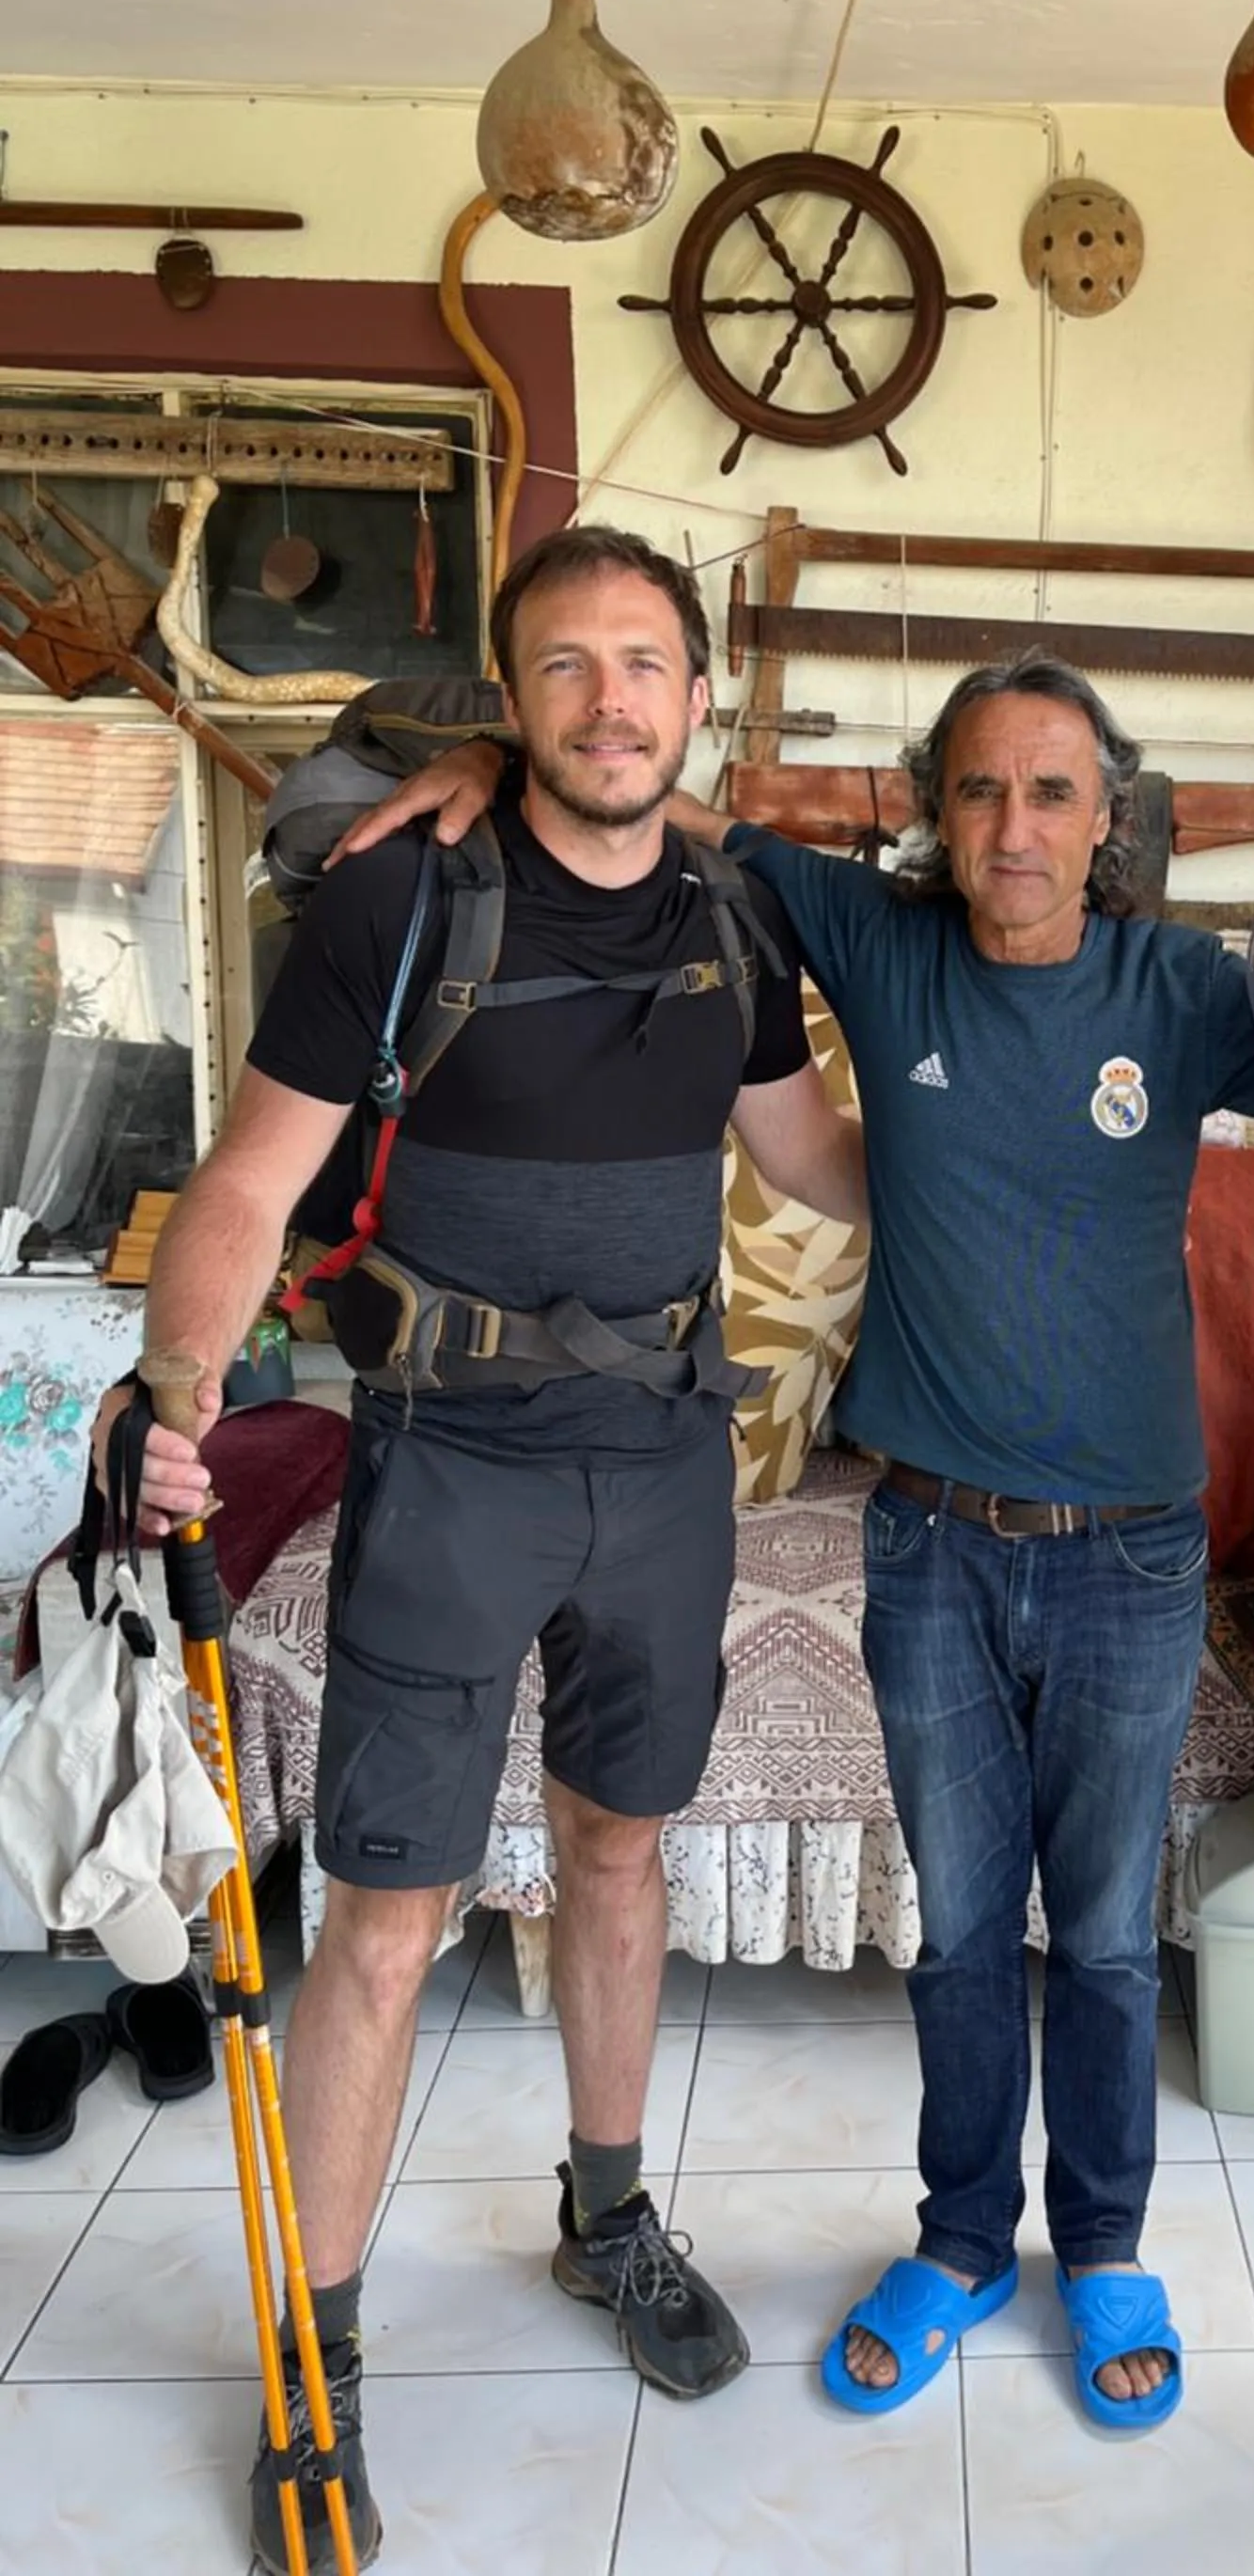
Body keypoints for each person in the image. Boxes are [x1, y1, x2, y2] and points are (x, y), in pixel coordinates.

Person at [351, 649, 1254, 2432]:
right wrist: (503, 755)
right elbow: (660, 803)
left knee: (1102, 1939)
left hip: (1130, 1555)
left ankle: (1100, 2248)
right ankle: (958, 2242)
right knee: (960, 1935)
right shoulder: (876, 942)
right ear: (933, 814)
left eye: (1050, 792)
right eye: (977, 790)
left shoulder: (1182, 987)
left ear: (1109, 823)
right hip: (932, 1547)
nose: (1011, 826)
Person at [101, 526, 864, 2574]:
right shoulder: (400, 901)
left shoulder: (735, 913)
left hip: (669, 1461)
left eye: (647, 663)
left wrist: (1031, 1151)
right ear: (511, 702)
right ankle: (321, 2345)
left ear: (699, 699)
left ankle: (606, 2217)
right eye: (569, 665)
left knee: (623, 1849)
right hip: (448, 1461)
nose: (612, 698)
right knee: (387, 1916)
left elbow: (815, 1160)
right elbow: (249, 1186)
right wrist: (174, 1396)